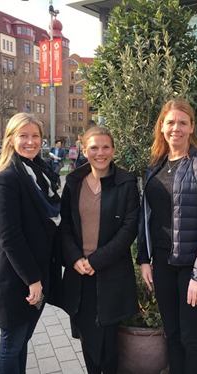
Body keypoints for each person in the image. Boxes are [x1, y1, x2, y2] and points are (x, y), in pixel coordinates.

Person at [137, 98, 197, 374]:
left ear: (191, 128)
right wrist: (144, 259)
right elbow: (147, 217)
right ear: (161, 127)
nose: (176, 128)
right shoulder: (156, 167)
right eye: (170, 122)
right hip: (163, 263)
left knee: (192, 337)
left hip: (193, 265)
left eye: (182, 123)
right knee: (172, 334)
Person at [61, 126, 140, 374]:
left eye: (106, 147)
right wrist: (75, 258)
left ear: (113, 150)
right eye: (93, 147)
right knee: (88, 338)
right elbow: (64, 226)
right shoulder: (73, 183)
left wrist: (96, 261)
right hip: (80, 273)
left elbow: (129, 230)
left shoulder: (126, 183)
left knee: (107, 341)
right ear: (84, 150)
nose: (100, 153)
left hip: (110, 274)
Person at [0, 112, 62, 374]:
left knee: (22, 340)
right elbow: (10, 237)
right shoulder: (5, 180)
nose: (30, 142)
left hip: (37, 273)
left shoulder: (40, 174)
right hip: (17, 278)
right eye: (23, 136)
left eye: (35, 136)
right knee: (11, 344)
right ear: (10, 139)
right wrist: (33, 279)